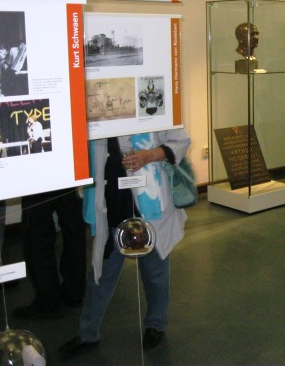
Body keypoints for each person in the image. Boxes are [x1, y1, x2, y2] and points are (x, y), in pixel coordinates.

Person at [59, 128, 191, 357]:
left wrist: (148, 155)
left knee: (155, 272)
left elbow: (180, 141)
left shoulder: (155, 108)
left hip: (149, 202)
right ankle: (88, 333)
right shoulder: (93, 110)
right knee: (100, 275)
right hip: (110, 203)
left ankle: (156, 324)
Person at [13, 188, 87, 319]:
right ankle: (74, 292)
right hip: (67, 177)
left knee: (37, 236)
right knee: (73, 231)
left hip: (36, 181)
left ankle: (48, 302)